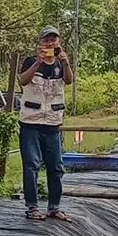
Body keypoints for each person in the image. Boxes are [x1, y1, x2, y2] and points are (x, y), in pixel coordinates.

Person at [17, 26, 75, 222]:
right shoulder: (30, 61)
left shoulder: (61, 64)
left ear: (59, 43)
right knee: (31, 165)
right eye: (46, 41)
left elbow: (69, 81)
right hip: (30, 122)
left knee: (56, 166)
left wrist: (66, 63)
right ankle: (32, 207)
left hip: (52, 122)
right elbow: (22, 81)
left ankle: (54, 207)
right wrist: (38, 64)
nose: (50, 44)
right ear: (39, 44)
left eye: (53, 41)